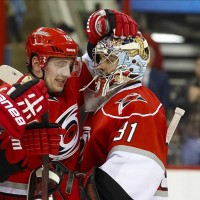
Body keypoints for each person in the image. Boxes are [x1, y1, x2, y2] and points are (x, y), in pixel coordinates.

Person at [0, 9, 138, 199]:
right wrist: (18, 150)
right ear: (37, 63)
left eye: (70, 64)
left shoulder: (71, 84)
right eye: (59, 64)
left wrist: (105, 26)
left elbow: (100, 61)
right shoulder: (8, 101)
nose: (66, 73)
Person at [28, 15, 168, 200]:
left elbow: (117, 191)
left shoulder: (139, 106)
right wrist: (99, 35)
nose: (99, 65)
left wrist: (66, 188)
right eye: (98, 58)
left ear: (129, 62)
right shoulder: (107, 101)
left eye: (107, 59)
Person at [178, 56, 200, 165]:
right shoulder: (188, 85)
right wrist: (188, 100)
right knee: (188, 175)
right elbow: (177, 106)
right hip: (191, 137)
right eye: (197, 65)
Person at [142, 33, 170, 115]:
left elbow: (165, 101)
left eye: (149, 54)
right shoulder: (130, 75)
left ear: (153, 58)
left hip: (154, 113)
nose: (146, 57)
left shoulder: (162, 77)